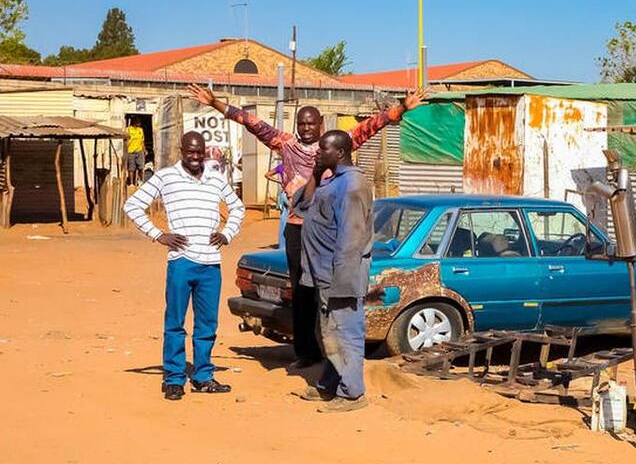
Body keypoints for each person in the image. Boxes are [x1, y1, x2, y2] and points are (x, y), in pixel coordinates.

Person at [186, 84, 425, 372]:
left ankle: (332, 353)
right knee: (301, 290)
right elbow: (251, 123)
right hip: (298, 227)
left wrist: (401, 108)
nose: (307, 128)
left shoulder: (337, 145)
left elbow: (370, 126)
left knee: (328, 289)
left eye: (311, 123)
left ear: (321, 124)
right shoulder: (286, 144)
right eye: (302, 123)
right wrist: (215, 103)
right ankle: (306, 352)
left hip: (328, 229)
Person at [124, 131, 246, 401]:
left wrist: (227, 233)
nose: (195, 157)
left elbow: (238, 208)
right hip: (181, 261)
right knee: (175, 323)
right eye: (190, 152)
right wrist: (158, 235)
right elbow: (132, 205)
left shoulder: (216, 177)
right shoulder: (166, 176)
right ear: (181, 151)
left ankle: (203, 376)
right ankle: (174, 378)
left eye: (199, 152)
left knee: (207, 325)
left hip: (211, 264)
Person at [291, 130, 373, 413]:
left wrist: (343, 282)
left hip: (340, 276)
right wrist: (316, 172)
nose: (317, 152)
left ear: (340, 153)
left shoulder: (351, 186)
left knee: (346, 332)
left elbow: (351, 239)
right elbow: (301, 206)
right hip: (323, 275)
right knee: (328, 332)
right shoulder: (332, 181)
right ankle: (330, 382)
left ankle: (352, 394)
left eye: (323, 150)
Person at [125, 118, 146, 187]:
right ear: (134, 123)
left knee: (141, 167)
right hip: (130, 151)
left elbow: (142, 141)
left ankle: (141, 181)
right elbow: (125, 140)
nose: (139, 124)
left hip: (139, 151)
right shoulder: (128, 129)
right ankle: (131, 183)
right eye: (138, 123)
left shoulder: (140, 130)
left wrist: (144, 150)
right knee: (131, 168)